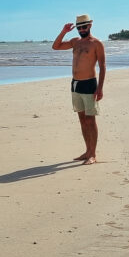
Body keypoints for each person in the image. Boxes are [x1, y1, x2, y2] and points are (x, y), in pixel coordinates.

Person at [52, 14, 106, 165]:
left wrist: (100, 88)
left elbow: (102, 66)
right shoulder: (75, 42)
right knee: (82, 120)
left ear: (90, 25)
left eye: (84, 26)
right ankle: (87, 151)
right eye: (79, 27)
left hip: (89, 84)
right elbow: (55, 46)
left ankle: (93, 154)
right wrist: (63, 32)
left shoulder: (96, 44)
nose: (82, 30)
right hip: (75, 84)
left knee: (90, 119)